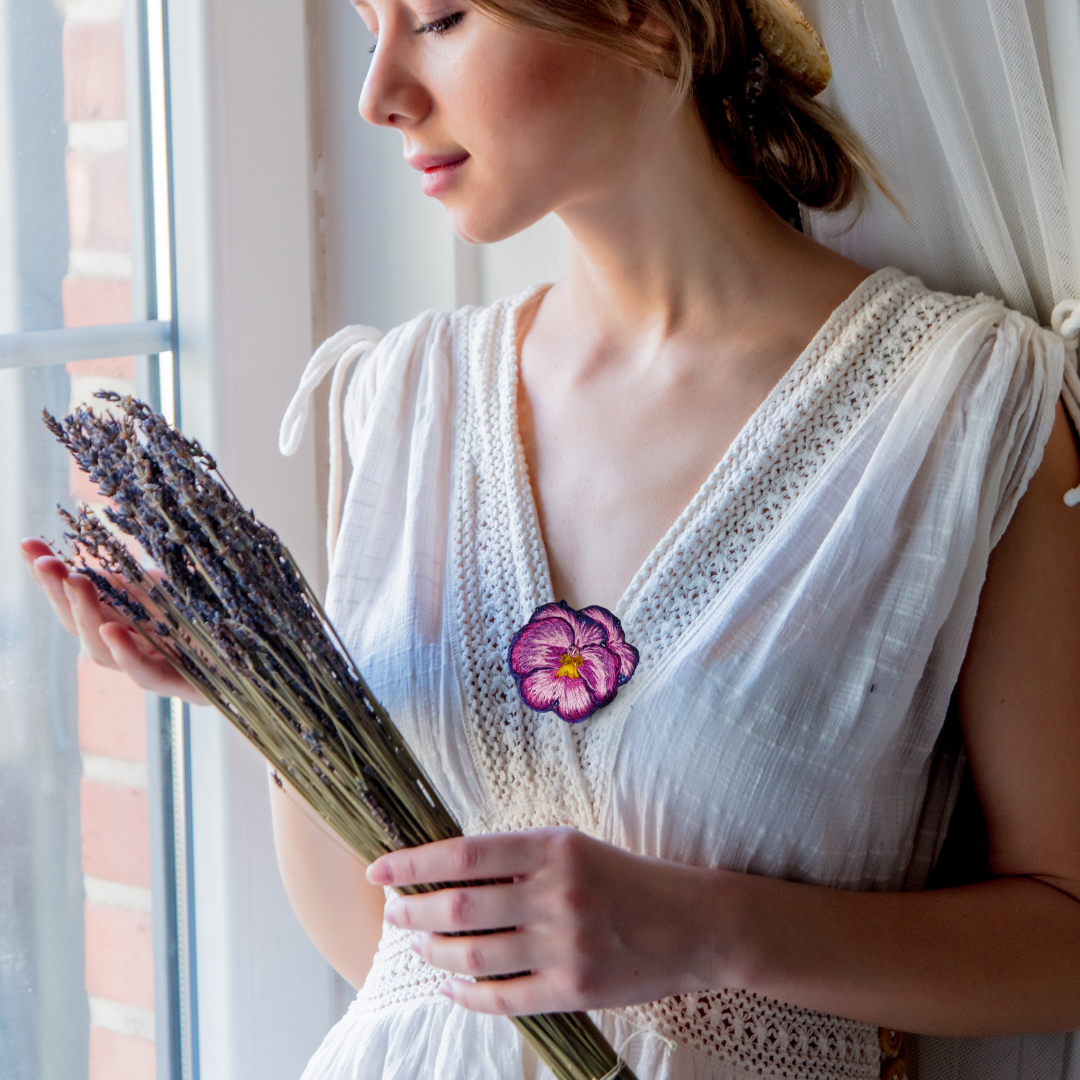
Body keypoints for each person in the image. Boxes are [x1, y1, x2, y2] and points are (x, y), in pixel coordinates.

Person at [22, 0, 1080, 1077]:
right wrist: (270, 694)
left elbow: (1066, 936)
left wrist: (708, 927)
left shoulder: (963, 411)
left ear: (646, 21)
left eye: (436, 18)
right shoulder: (405, 400)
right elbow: (384, 954)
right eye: (366, 28)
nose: (379, 94)